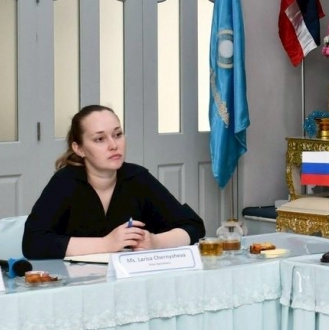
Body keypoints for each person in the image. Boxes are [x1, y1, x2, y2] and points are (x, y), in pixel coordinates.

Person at [23, 105, 206, 259]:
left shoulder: (137, 177)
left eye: (118, 134)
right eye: (100, 139)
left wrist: (155, 242)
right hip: (77, 283)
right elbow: (33, 243)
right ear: (79, 149)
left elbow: (194, 226)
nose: (113, 145)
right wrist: (106, 244)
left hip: (130, 281)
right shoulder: (65, 182)